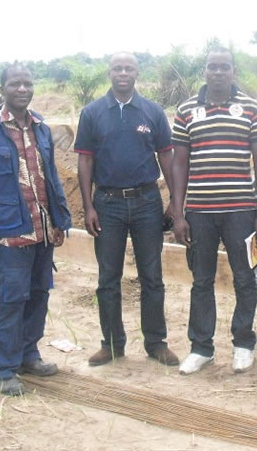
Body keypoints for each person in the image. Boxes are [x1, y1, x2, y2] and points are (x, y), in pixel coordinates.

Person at [0, 64, 73, 396]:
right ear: (3, 89)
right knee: (10, 301)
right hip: (9, 233)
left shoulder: (41, 128)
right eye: (15, 84)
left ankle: (28, 355)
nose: (22, 89)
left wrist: (60, 220)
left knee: (38, 296)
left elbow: (50, 177)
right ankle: (2, 368)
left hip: (42, 231)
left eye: (27, 83)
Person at [75, 52, 180, 368]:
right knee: (108, 278)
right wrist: (88, 205)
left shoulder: (153, 112)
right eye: (117, 68)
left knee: (152, 277)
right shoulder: (93, 113)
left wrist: (175, 201)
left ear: (137, 73)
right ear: (109, 72)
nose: (123, 72)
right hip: (107, 205)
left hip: (147, 202)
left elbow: (166, 157)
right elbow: (85, 160)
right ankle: (111, 344)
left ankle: (156, 343)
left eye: (129, 68)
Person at [171, 48, 257, 375]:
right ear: (204, 71)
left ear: (233, 71)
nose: (217, 72)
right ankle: (202, 348)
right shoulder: (186, 110)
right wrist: (178, 212)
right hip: (199, 212)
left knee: (245, 277)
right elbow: (180, 163)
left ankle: (243, 344)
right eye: (212, 67)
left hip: (243, 210)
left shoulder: (252, 109)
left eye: (224, 67)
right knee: (201, 281)